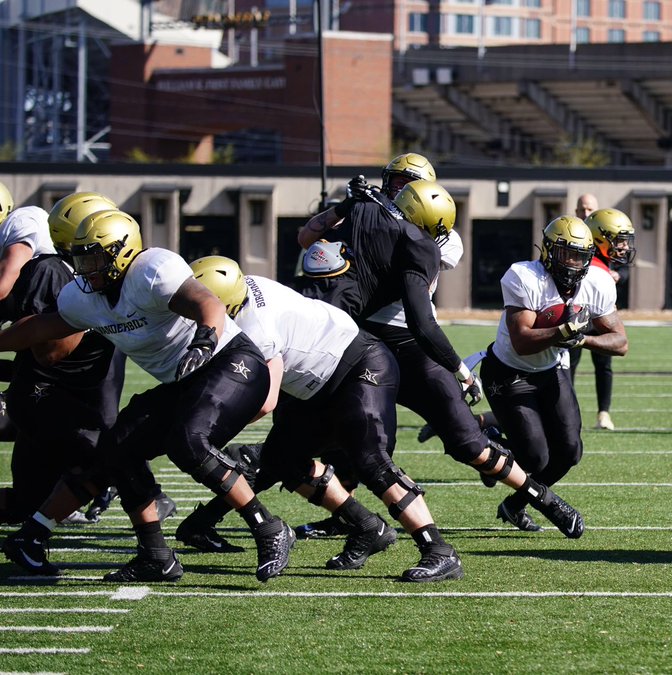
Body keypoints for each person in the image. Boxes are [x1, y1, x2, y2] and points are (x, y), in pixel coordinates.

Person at [0, 209, 294, 582]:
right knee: (116, 449)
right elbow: (41, 327)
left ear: (121, 252)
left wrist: (204, 340)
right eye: (79, 257)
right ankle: (143, 553)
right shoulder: (83, 297)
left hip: (230, 362)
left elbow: (208, 303)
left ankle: (269, 529)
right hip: (182, 380)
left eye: (93, 257)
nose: (84, 268)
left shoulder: (151, 269)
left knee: (188, 440)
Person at [297, 177, 585, 538]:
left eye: (406, 187)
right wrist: (344, 206)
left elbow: (421, 319)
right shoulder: (365, 211)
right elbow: (308, 239)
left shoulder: (427, 242)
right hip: (362, 339)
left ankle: (543, 499)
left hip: (412, 345)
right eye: (395, 183)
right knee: (355, 434)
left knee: (468, 442)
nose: (395, 193)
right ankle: (351, 519)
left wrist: (458, 367)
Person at [183, 256, 462, 581]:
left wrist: (209, 428)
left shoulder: (256, 328)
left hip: (360, 366)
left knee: (371, 461)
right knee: (281, 458)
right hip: (321, 381)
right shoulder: (245, 285)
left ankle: (439, 551)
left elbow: (265, 401)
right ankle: (367, 527)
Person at [481, 215, 628, 533]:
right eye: (566, 253)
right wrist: (563, 331)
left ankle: (514, 505)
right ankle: (492, 449)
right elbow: (521, 341)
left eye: (580, 255)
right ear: (548, 251)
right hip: (509, 371)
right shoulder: (523, 275)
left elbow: (620, 342)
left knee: (570, 451)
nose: (573, 262)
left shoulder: (597, 282)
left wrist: (582, 339)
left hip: (550, 369)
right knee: (534, 458)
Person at [0, 193, 135, 526]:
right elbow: (48, 354)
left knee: (27, 504)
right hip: (43, 399)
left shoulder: (92, 277)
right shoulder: (50, 270)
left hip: (58, 396)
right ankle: (156, 551)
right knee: (112, 462)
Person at [568, 200, 636, 431]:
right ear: (599, 238)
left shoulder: (593, 262)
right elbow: (621, 343)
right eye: (620, 240)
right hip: (568, 327)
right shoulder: (597, 273)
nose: (625, 247)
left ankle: (595, 413)